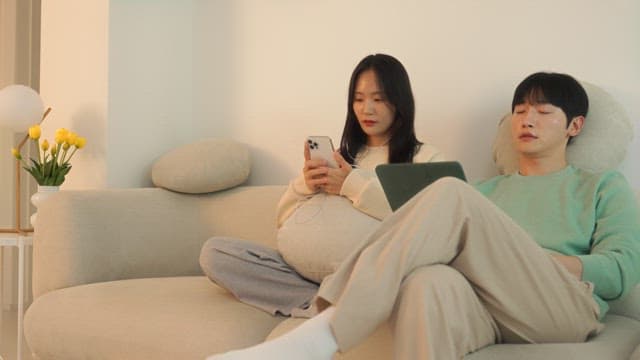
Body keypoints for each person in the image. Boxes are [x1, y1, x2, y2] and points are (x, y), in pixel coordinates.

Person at [207, 72, 640, 360]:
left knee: (448, 192)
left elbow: (621, 270)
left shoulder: (601, 186)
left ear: (574, 126)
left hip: (561, 306)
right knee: (426, 282)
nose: (527, 119)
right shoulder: (484, 192)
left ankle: (328, 329)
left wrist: (527, 258)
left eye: (543, 112)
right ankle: (333, 321)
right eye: (520, 111)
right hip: (489, 306)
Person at [199, 54, 444, 317]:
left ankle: (343, 303)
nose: (366, 109)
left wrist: (351, 185)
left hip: (376, 276)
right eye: (359, 99)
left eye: (379, 98)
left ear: (400, 102)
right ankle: (326, 305)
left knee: (418, 280)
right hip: (310, 276)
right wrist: (305, 185)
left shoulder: (426, 159)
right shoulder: (340, 157)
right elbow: (282, 221)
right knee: (217, 253)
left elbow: (431, 226)